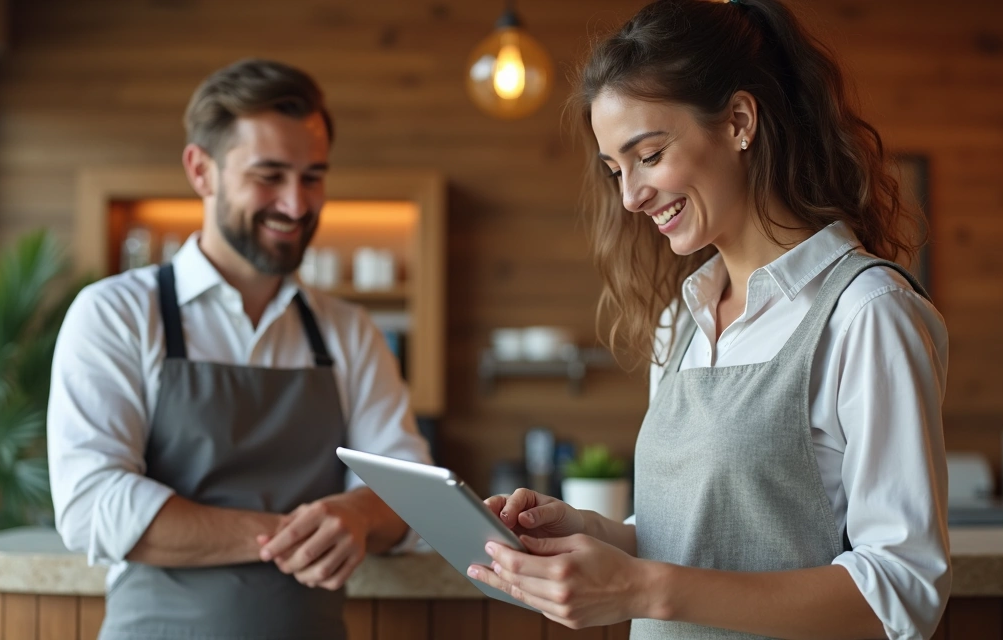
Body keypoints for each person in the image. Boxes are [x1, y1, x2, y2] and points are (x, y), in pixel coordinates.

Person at [469, 1, 950, 638]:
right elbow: (698, 537)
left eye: (649, 154)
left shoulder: (866, 314)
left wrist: (642, 587)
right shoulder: (682, 322)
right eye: (615, 170)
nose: (630, 197)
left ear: (739, 122)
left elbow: (901, 589)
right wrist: (594, 532)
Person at [47, 59, 431, 640]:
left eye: (313, 176)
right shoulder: (117, 315)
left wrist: (357, 514)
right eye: (269, 175)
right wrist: (292, 533)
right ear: (201, 171)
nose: (297, 205)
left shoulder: (350, 331)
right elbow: (92, 504)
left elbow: (411, 488)